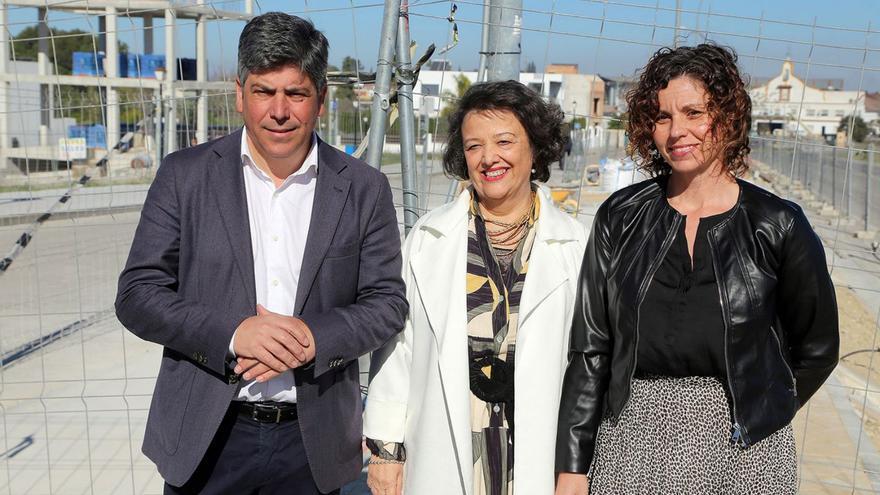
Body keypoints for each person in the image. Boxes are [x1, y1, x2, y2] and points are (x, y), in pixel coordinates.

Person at [115, 12, 407, 495]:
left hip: (311, 444)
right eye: (262, 91)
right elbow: (138, 295)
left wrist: (314, 339)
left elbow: (386, 303)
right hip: (208, 437)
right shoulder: (184, 176)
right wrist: (234, 335)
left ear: (321, 100)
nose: (279, 110)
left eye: (295, 93)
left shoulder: (363, 189)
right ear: (239, 93)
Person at [554, 43, 840, 494]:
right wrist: (571, 468)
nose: (676, 131)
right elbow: (592, 350)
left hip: (744, 452)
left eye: (693, 112)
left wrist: (763, 406)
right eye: (663, 116)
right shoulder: (619, 216)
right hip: (631, 443)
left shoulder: (778, 224)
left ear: (725, 118)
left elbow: (818, 348)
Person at [363, 80, 589, 495]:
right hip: (443, 456)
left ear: (534, 147)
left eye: (505, 141)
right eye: (473, 146)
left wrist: (582, 464)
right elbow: (399, 349)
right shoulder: (429, 237)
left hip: (538, 459)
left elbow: (592, 366)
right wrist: (384, 450)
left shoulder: (576, 244)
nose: (489, 158)